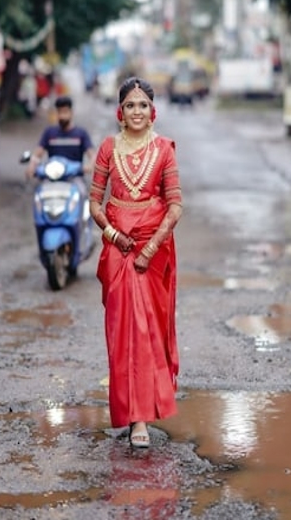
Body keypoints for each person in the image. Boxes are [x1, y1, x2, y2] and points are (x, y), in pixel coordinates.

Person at [88, 77, 183, 449]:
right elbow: (95, 202)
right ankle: (130, 414)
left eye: (143, 104)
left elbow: (175, 205)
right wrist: (114, 236)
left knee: (147, 335)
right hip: (118, 252)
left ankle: (141, 420)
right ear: (120, 112)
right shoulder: (108, 149)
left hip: (152, 254)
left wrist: (149, 248)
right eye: (131, 105)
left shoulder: (164, 151)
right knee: (121, 335)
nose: (137, 111)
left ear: (153, 110)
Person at [25, 96, 94, 178]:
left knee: (82, 190)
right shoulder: (49, 132)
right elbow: (38, 153)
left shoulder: (81, 134)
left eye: (65, 112)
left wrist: (90, 166)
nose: (62, 116)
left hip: (74, 178)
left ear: (71, 113)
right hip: (52, 177)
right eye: (59, 112)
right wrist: (32, 166)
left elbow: (92, 154)